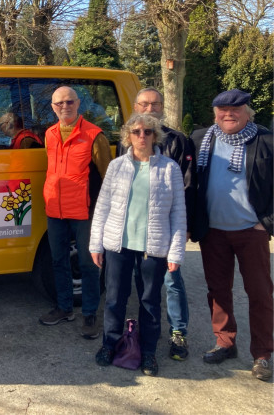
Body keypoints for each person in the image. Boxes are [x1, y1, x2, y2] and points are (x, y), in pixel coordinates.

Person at [91, 114, 187, 376]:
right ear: (128, 136)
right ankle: (109, 345)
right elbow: (102, 207)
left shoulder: (169, 168)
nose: (142, 136)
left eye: (147, 132)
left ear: (155, 136)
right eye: (136, 132)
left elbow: (178, 213)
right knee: (114, 300)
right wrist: (95, 244)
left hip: (152, 247)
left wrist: (176, 251)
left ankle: (148, 353)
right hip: (118, 245)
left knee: (150, 302)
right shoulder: (116, 166)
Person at [190, 89, 273, 381]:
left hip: (251, 232)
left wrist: (268, 222)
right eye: (222, 110)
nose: (229, 114)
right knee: (218, 291)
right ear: (215, 114)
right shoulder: (201, 139)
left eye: (235, 109)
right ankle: (225, 342)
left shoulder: (265, 140)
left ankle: (262, 354)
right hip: (213, 232)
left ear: (247, 112)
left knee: (260, 294)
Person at [118, 88, 195, 361]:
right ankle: (146, 332)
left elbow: (188, 187)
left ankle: (178, 331)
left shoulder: (179, 140)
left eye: (155, 104)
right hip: (135, 229)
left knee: (172, 279)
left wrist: (184, 227)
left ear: (162, 107)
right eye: (144, 104)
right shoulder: (128, 139)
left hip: (165, 225)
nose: (150, 109)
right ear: (135, 106)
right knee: (143, 285)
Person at [39, 86, 111, 340]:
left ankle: (89, 313)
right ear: (52, 107)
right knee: (58, 261)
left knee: (88, 264)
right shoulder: (49, 134)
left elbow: (107, 176)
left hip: (84, 211)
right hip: (55, 208)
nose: (65, 106)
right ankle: (64, 308)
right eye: (59, 103)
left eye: (69, 102)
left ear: (78, 103)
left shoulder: (94, 135)